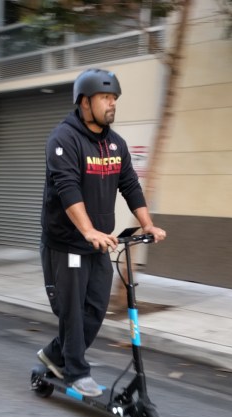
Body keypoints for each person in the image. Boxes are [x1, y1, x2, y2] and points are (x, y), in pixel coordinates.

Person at [37, 68, 166, 397]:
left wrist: (147, 223)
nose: (112, 104)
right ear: (84, 102)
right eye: (106, 98)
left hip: (97, 244)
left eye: (114, 99)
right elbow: (66, 190)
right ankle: (75, 371)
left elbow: (130, 185)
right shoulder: (63, 140)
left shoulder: (115, 144)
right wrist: (88, 229)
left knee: (95, 307)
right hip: (66, 245)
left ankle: (54, 354)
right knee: (72, 312)